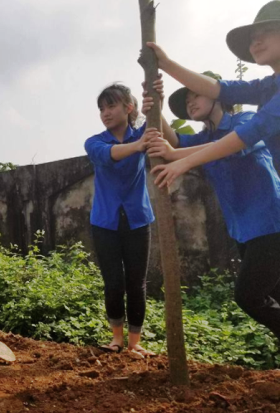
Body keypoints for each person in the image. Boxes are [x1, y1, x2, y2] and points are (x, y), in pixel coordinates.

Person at [144, 73, 280, 343]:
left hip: (271, 222)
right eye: (187, 100)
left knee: (248, 296)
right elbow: (175, 143)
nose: (191, 102)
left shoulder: (245, 121)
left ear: (219, 96)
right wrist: (155, 106)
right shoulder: (203, 138)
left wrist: (175, 154)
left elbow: (230, 146)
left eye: (196, 94)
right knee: (273, 295)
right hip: (244, 231)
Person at [147, 0, 280, 187]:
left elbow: (251, 131)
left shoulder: (244, 119)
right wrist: (166, 64)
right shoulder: (268, 86)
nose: (256, 42)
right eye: (253, 38)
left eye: (267, 31)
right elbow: (222, 89)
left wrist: (181, 160)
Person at [84, 83, 159, 358]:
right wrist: (138, 146)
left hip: (138, 219)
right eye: (101, 108)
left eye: (111, 106)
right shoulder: (95, 142)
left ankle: (134, 343)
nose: (105, 113)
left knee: (137, 283)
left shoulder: (141, 133)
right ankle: (116, 339)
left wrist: (155, 99)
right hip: (105, 222)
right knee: (113, 282)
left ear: (128, 108)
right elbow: (110, 155)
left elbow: (156, 123)